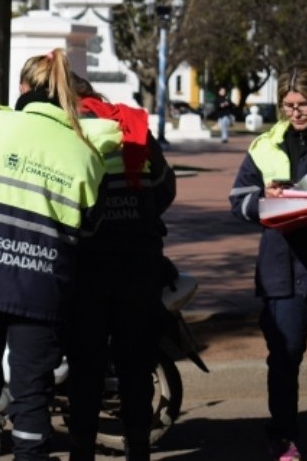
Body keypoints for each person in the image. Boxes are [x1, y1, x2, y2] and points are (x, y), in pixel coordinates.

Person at [0, 49, 121, 460]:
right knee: (31, 394)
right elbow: (89, 225)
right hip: (41, 288)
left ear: (23, 88)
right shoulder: (86, 153)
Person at [229, 64, 307, 461]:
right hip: (279, 271)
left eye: (304, 104)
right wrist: (265, 200)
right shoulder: (264, 145)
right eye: (288, 105)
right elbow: (239, 199)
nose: (296, 112)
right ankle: (283, 438)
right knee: (282, 360)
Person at [66, 76, 177, 461]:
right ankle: (138, 449)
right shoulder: (132, 127)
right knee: (135, 364)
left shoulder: (68, 131)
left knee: (85, 366)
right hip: (139, 262)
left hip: (87, 266)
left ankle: (81, 450)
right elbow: (164, 189)